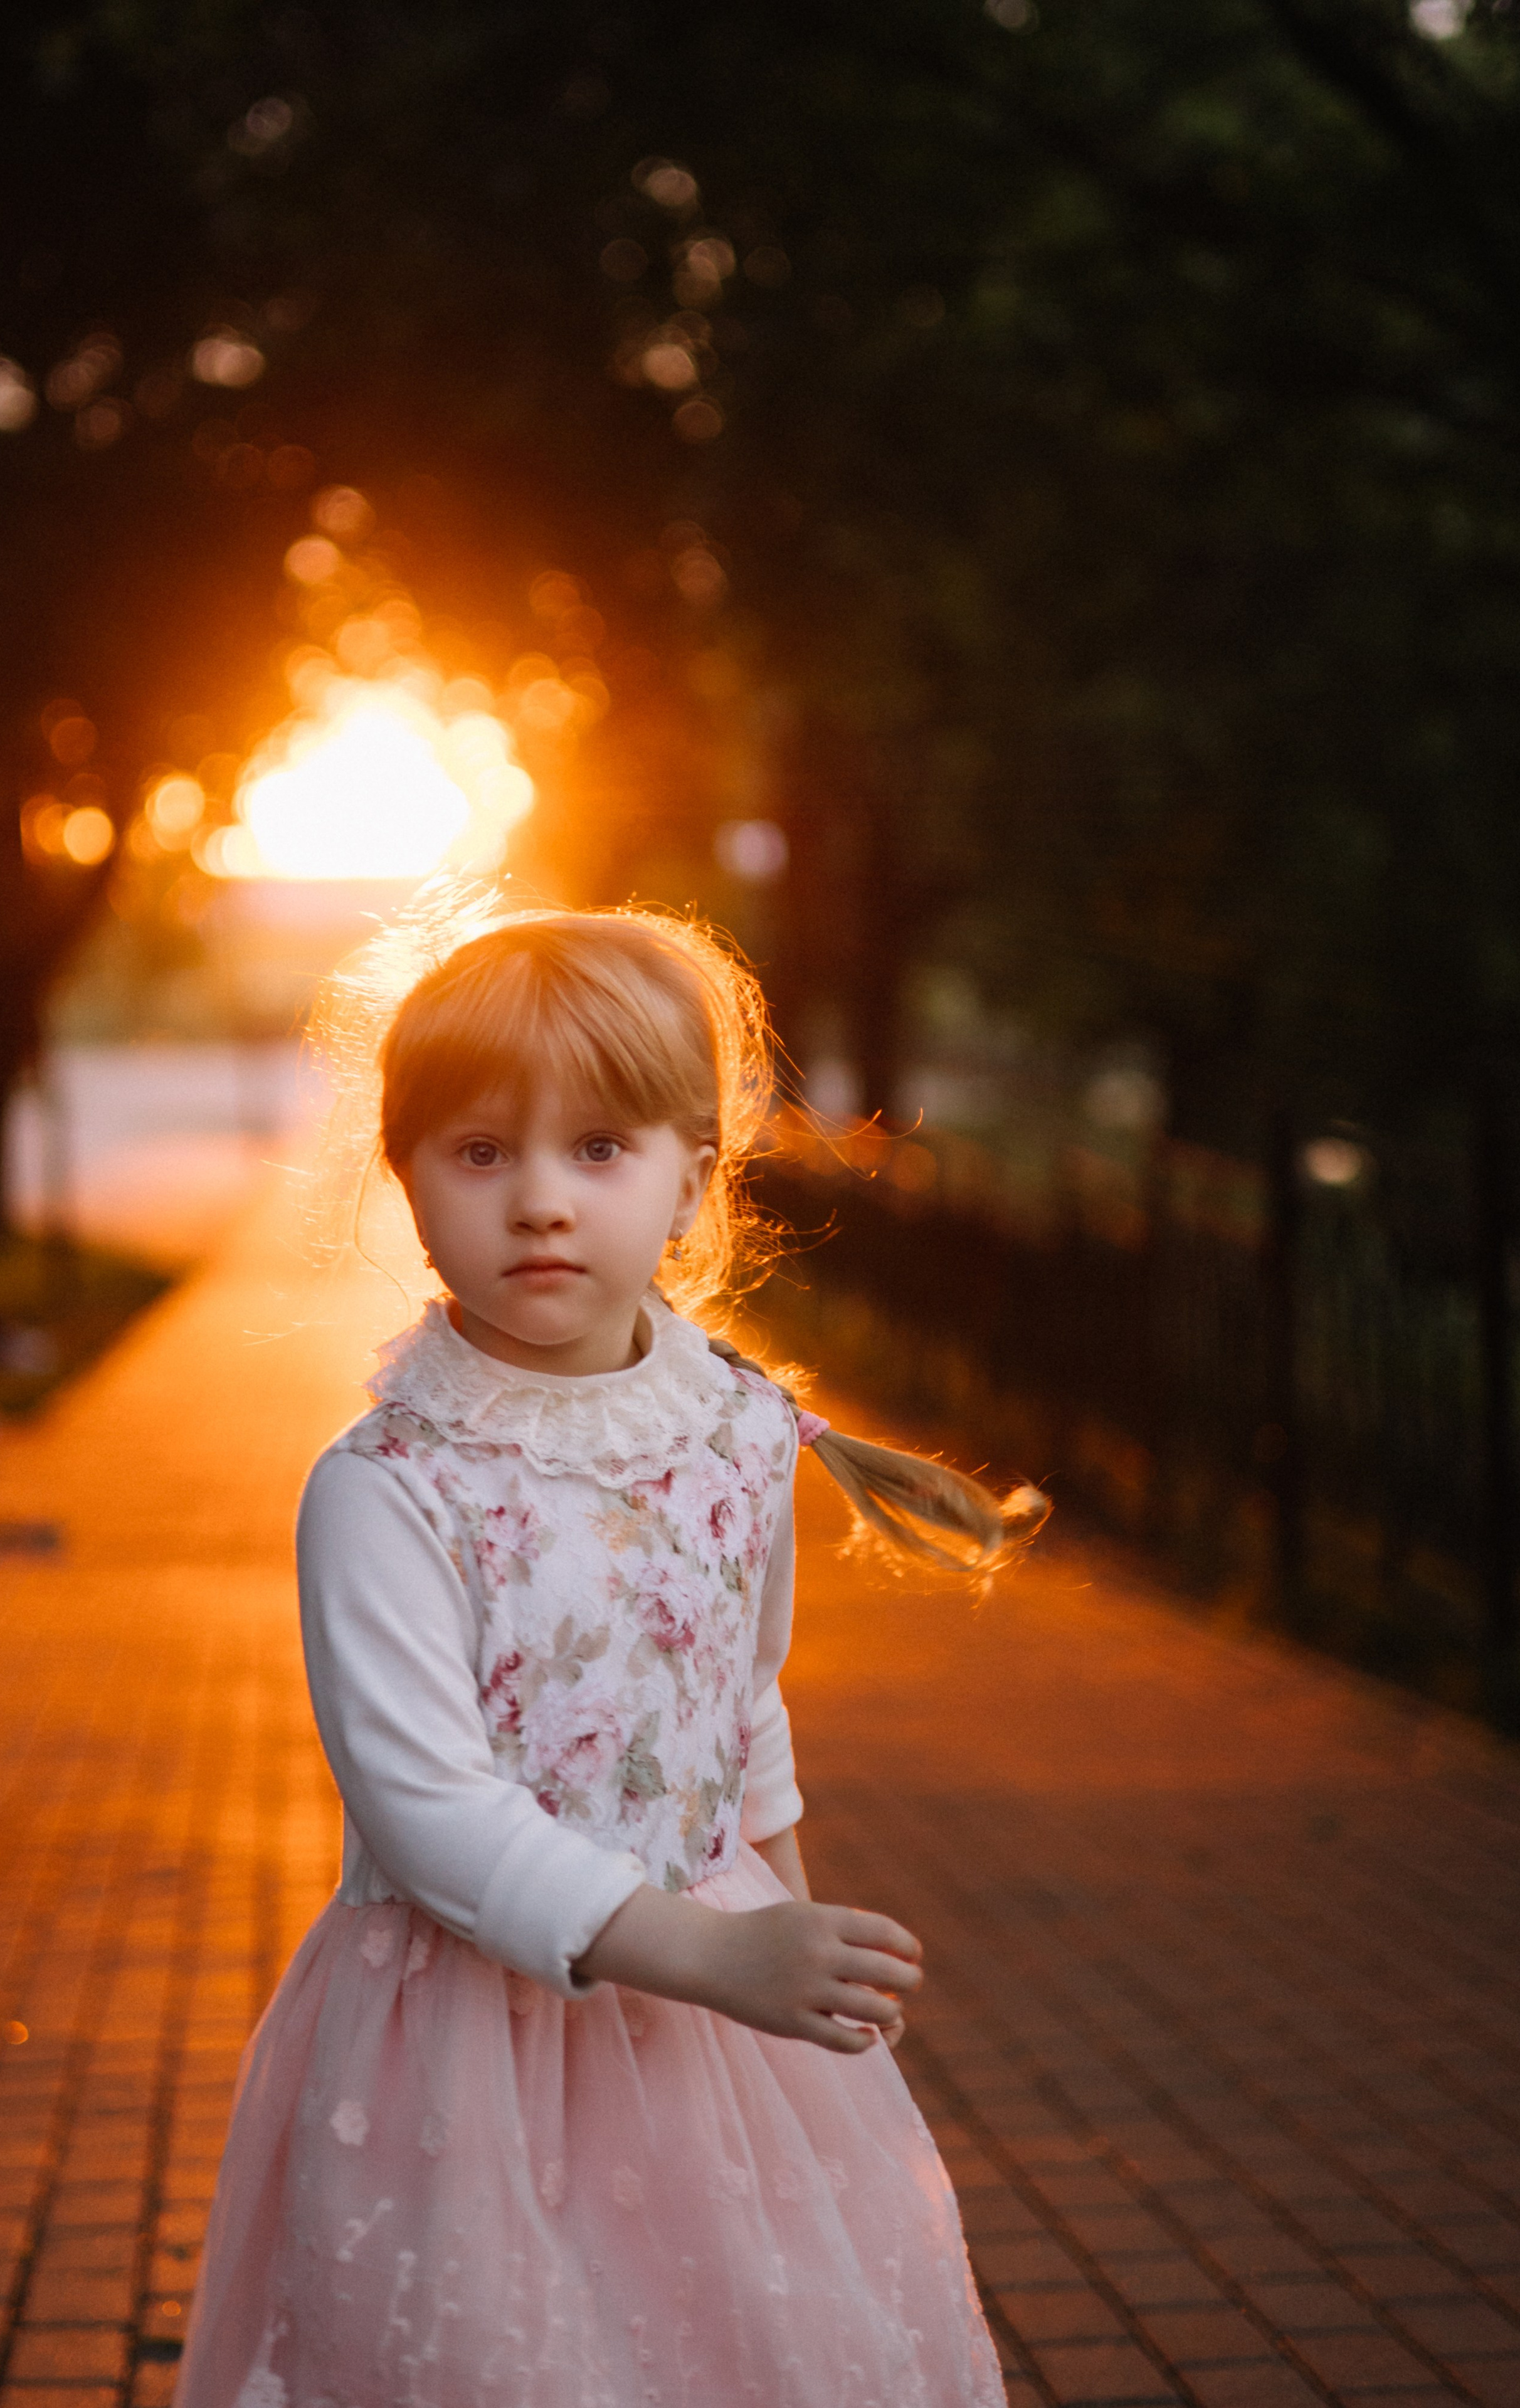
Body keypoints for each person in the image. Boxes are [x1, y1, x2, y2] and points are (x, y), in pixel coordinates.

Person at [174, 901, 1045, 2408]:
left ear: (692, 1177)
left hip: (717, 2038)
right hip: (460, 2056)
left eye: (597, 1149)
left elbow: (739, 1706)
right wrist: (709, 1949)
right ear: (406, 1175)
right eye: (479, 1152)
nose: (539, 1205)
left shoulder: (736, 1436)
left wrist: (781, 1917)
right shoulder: (391, 1488)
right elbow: (428, 1812)